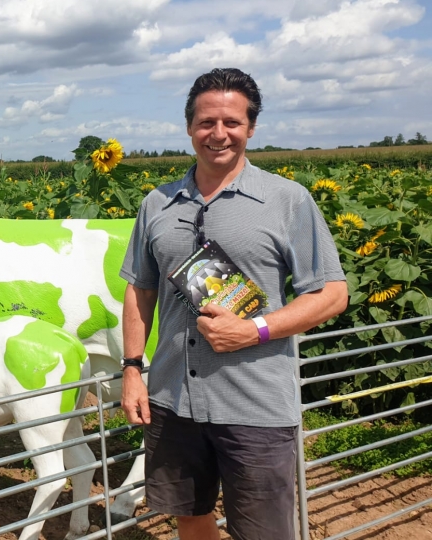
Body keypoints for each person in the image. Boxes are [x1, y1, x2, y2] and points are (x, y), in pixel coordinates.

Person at [119, 67, 348, 540]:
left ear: (250, 128)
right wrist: (131, 370)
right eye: (206, 122)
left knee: (265, 532)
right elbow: (141, 290)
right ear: (188, 127)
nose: (218, 134)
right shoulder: (157, 205)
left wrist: (254, 329)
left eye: (232, 123)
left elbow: (331, 294)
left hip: (256, 403)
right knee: (190, 516)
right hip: (172, 399)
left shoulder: (287, 200)